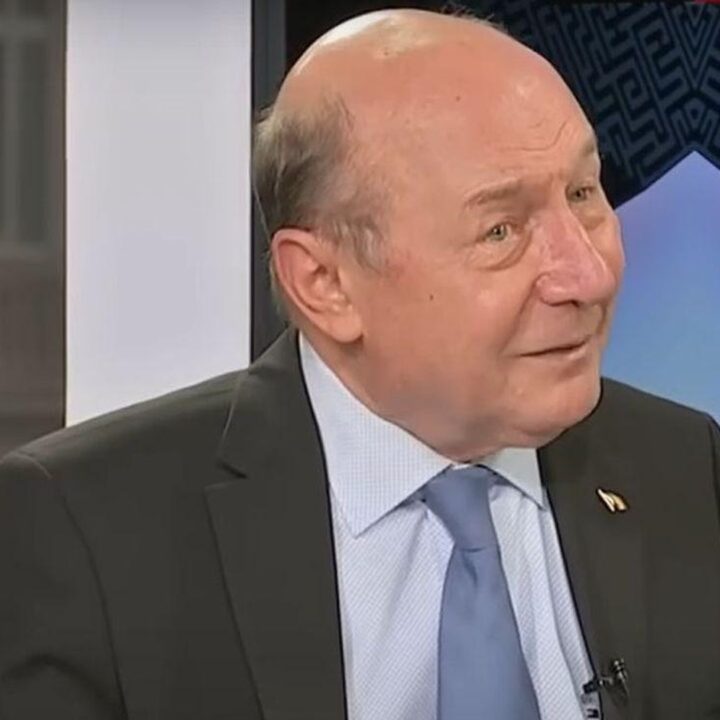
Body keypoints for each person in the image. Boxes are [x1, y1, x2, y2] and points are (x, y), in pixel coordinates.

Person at [1, 8, 718, 720]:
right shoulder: (86, 534)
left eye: (583, 194)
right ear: (326, 284)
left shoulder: (687, 466)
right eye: (500, 230)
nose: (589, 274)